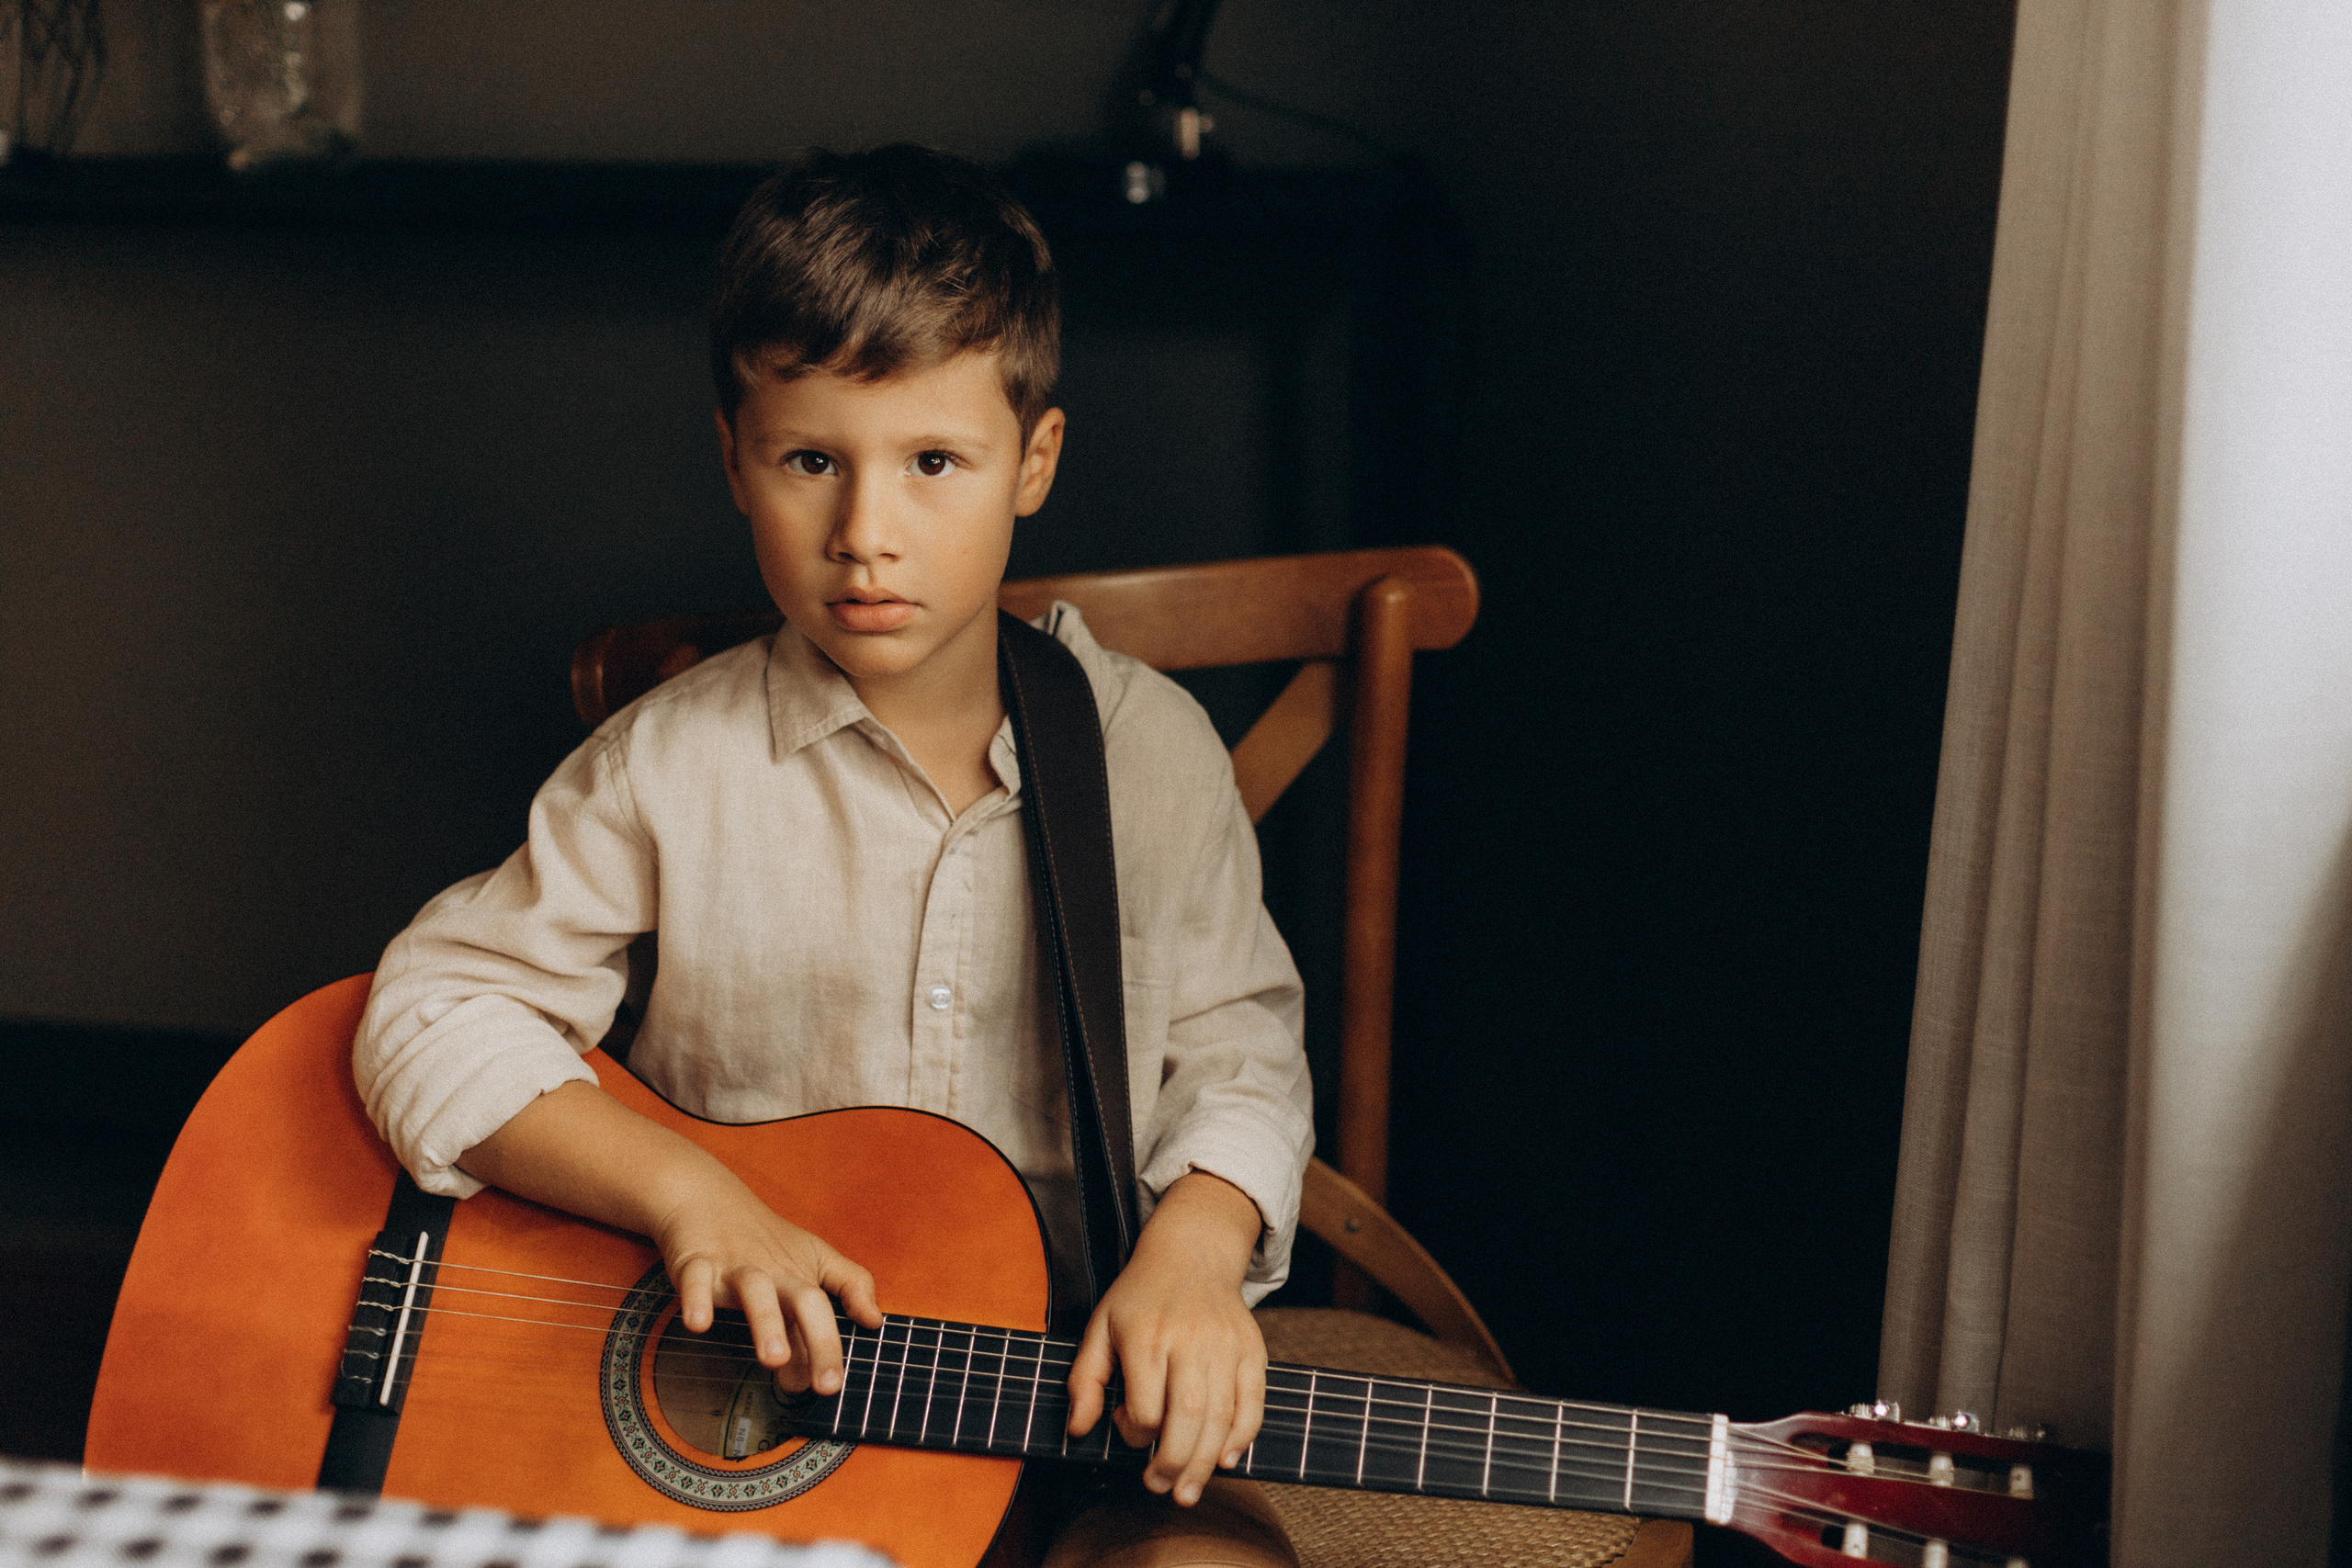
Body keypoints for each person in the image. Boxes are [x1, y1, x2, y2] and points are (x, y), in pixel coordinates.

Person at [353, 144, 1312, 1568]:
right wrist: (691, 1197)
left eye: (935, 463)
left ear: (1032, 462)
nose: (867, 536)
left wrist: (1196, 1247)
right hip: (748, 1398)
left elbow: (1239, 1042)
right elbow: (430, 1011)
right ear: (735, 460)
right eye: (813, 460)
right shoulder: (669, 765)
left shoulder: (1144, 752)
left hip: (1052, 1396)